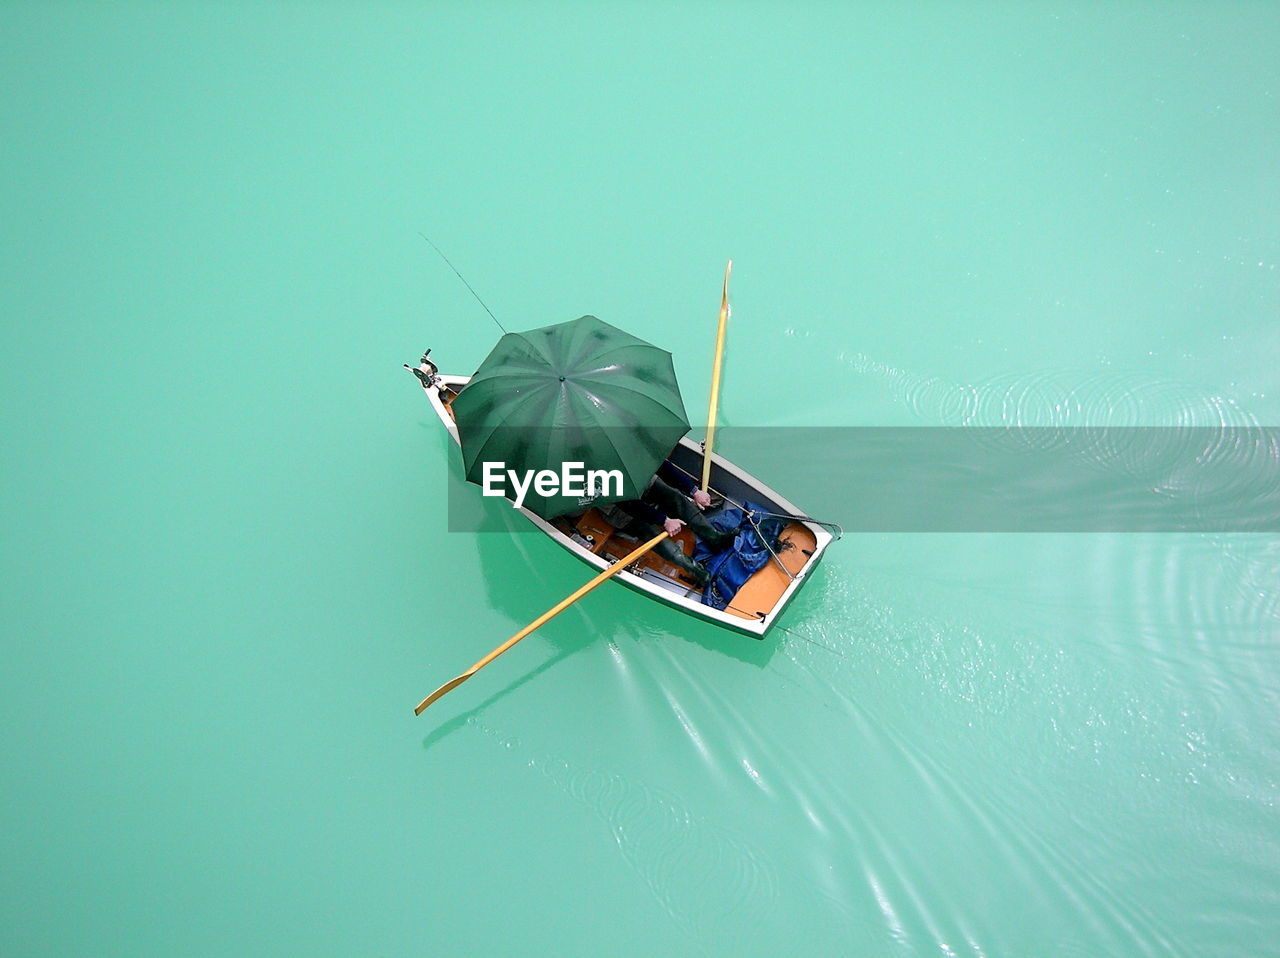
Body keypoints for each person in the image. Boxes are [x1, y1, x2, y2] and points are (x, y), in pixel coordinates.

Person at [599, 460, 735, 587]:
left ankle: (715, 537)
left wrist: (694, 491)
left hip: (637, 480)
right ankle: (695, 570)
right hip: (617, 504)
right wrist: (664, 520)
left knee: (674, 496)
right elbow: (629, 505)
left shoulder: (632, 447)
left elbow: (662, 465)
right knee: (649, 531)